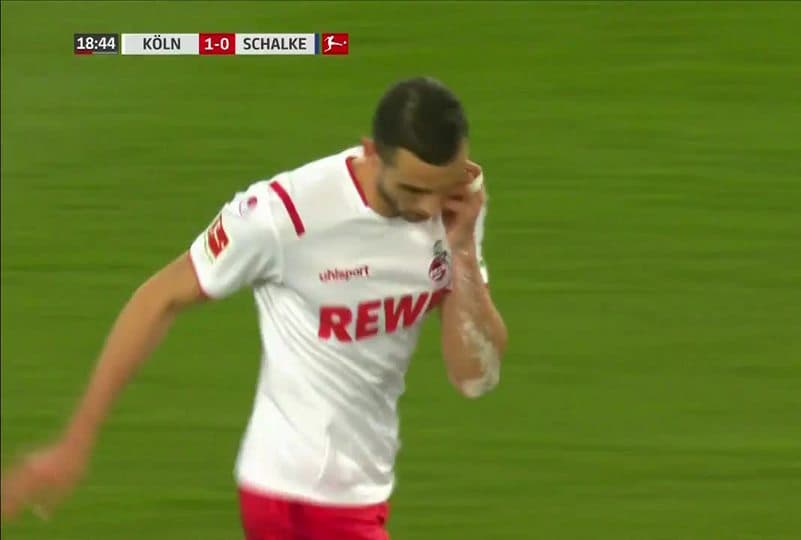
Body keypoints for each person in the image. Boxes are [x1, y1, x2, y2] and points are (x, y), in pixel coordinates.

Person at [0, 76, 508, 539]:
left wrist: (462, 247)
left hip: (363, 492)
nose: (427, 208)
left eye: (439, 190)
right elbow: (160, 296)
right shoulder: (284, 215)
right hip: (297, 496)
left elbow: (474, 376)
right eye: (412, 190)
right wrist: (77, 439)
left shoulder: (457, 206)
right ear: (372, 152)